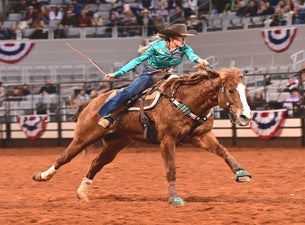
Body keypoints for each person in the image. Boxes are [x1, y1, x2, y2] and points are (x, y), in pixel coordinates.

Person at [97, 23, 209, 128]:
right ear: (171, 37)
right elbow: (138, 60)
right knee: (131, 91)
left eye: (185, 37)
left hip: (168, 75)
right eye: (181, 37)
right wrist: (117, 74)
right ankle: (107, 114)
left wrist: (199, 60)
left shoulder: (185, 48)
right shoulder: (157, 46)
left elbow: (192, 55)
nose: (184, 40)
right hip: (151, 74)